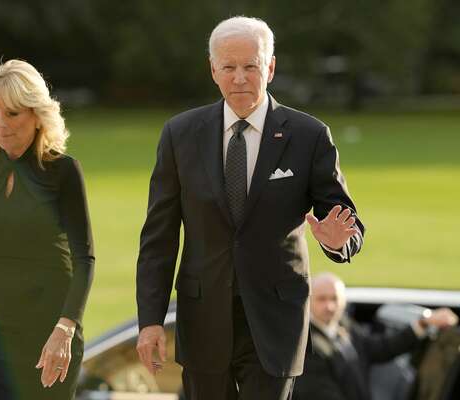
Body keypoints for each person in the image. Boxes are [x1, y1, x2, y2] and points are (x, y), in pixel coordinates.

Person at [136, 16, 365, 400]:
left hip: (275, 323)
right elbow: (158, 238)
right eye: (228, 67)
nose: (239, 77)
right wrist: (150, 321)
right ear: (213, 70)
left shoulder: (308, 136)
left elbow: (347, 224)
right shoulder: (179, 135)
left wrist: (338, 241)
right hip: (203, 318)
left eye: (251, 66)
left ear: (270, 67)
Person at [0, 59, 95, 400]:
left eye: (12, 114)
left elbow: (84, 257)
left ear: (37, 115)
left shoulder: (64, 172)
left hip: (47, 331)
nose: (1, 124)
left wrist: (65, 328)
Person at [293, 272, 458, 400]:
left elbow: (378, 348)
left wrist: (423, 323)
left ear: (343, 301)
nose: (329, 306)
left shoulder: (342, 324)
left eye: (334, 299)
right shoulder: (306, 345)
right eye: (321, 299)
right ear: (309, 300)